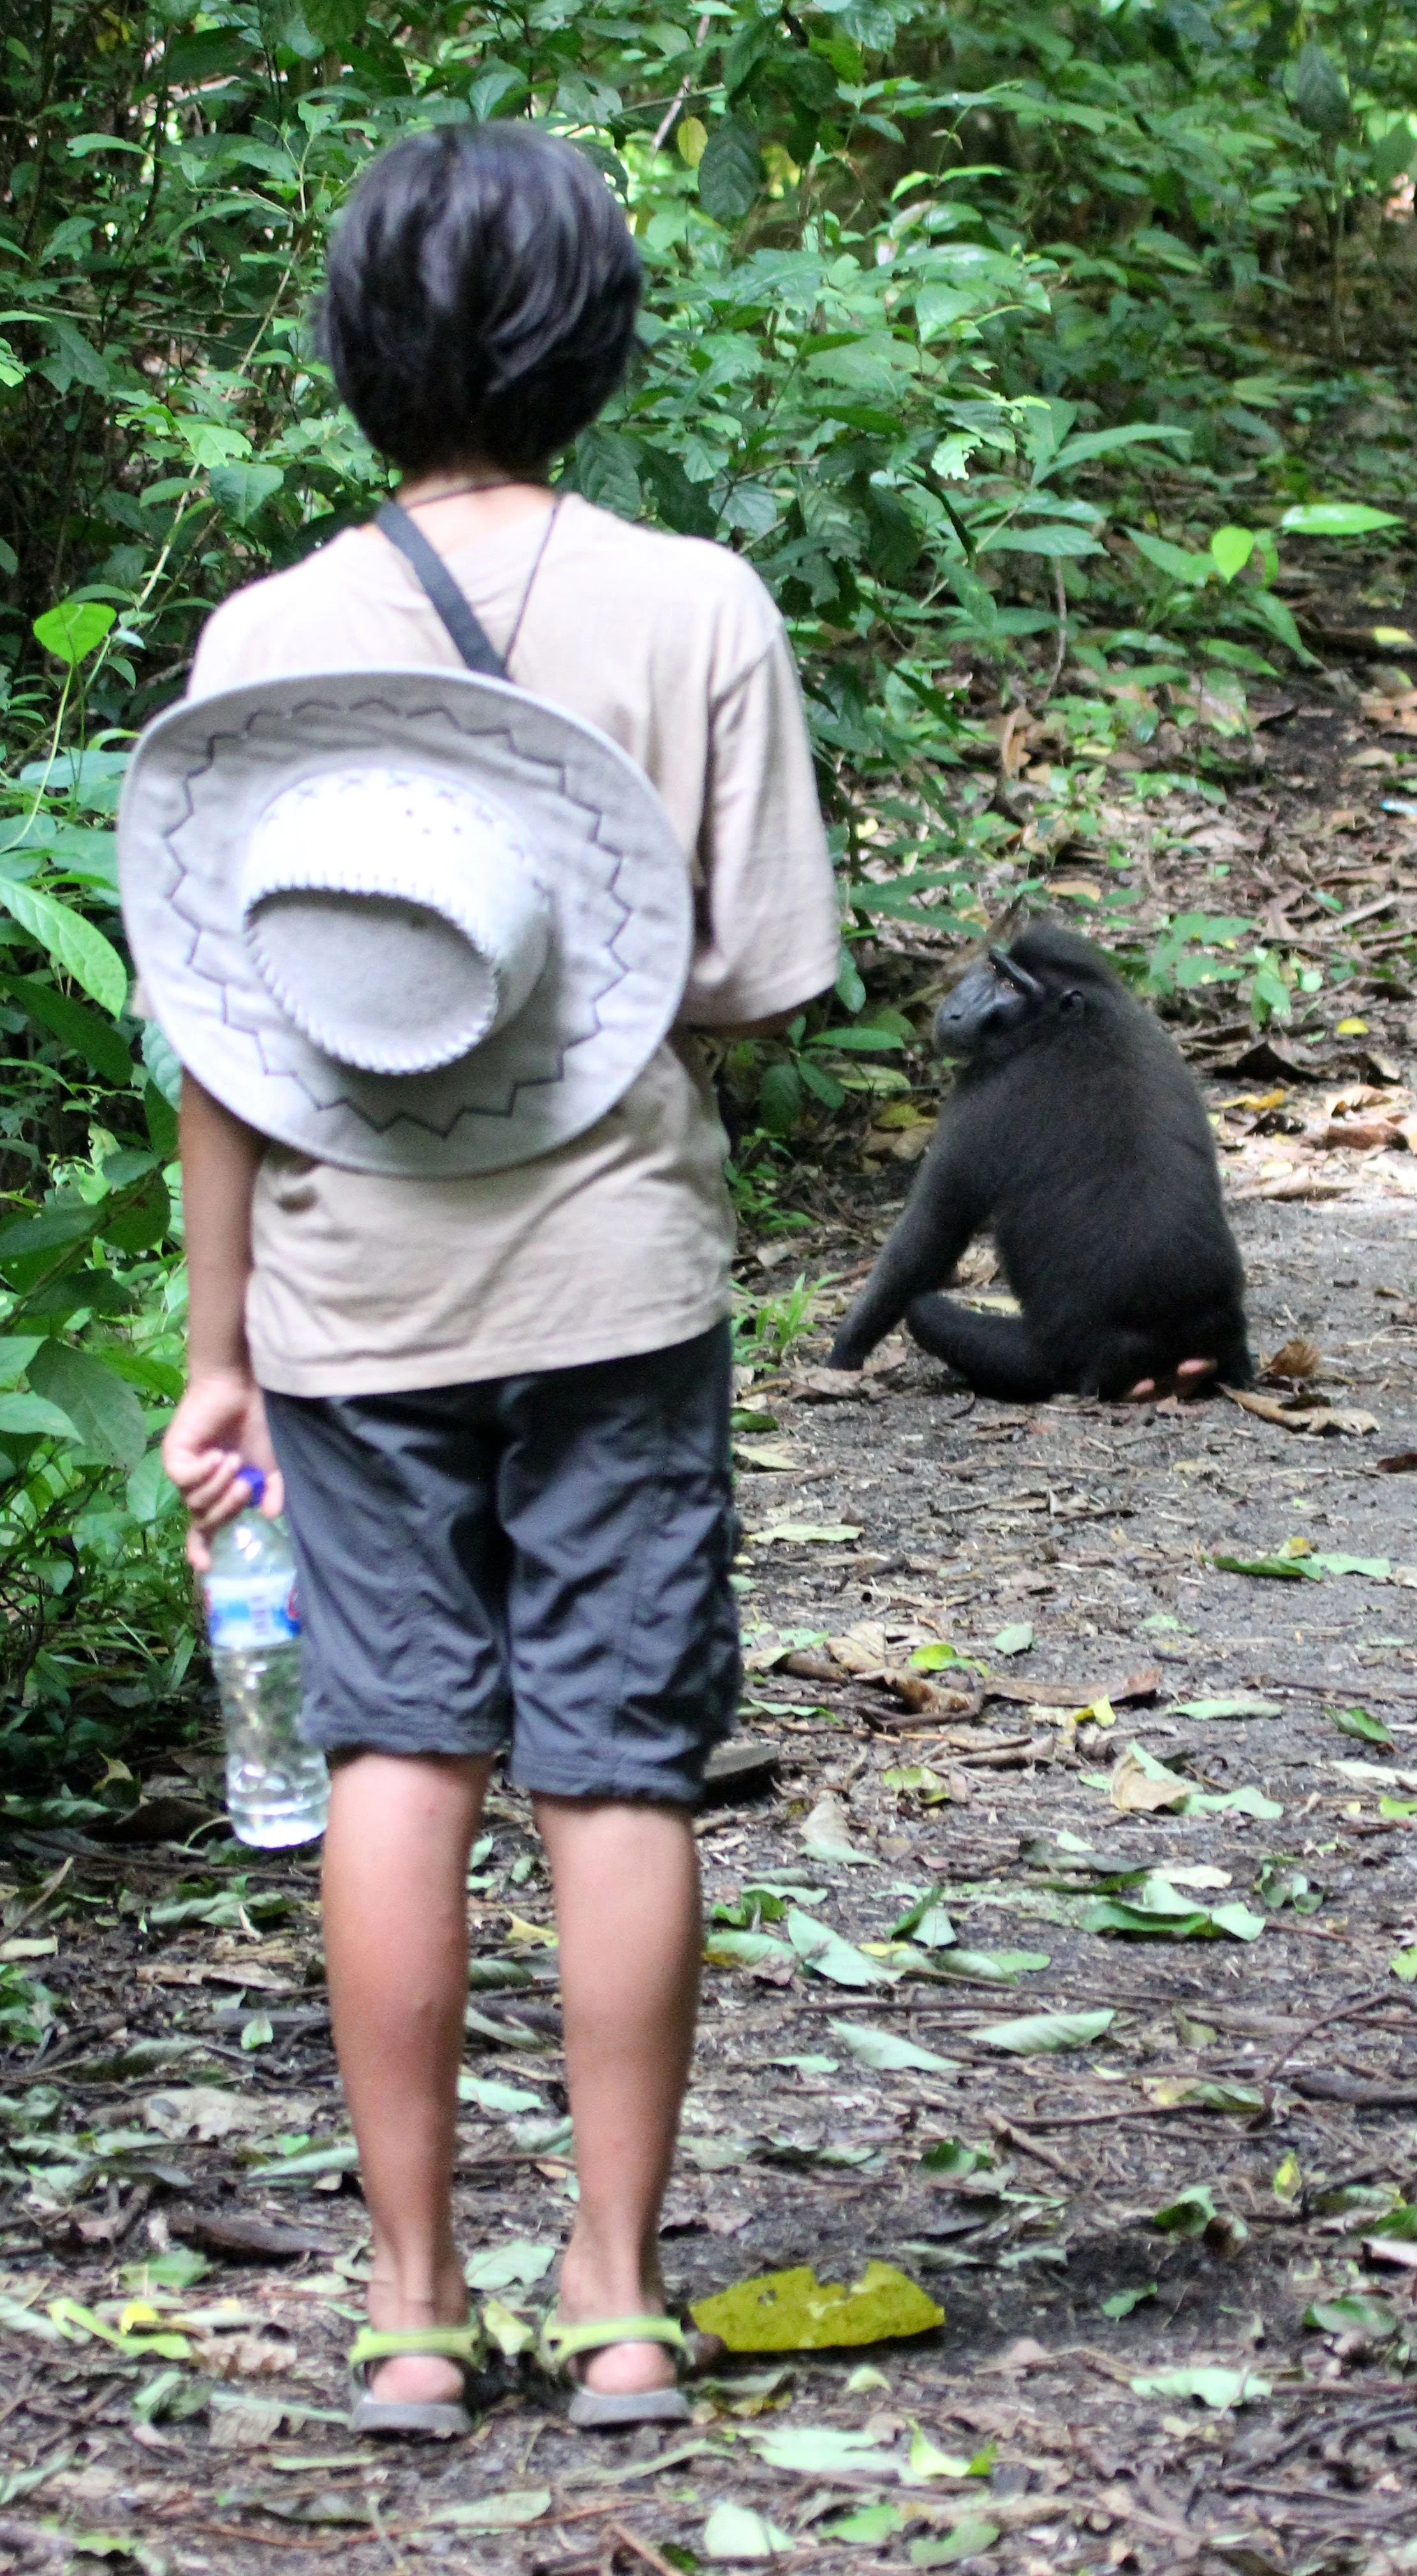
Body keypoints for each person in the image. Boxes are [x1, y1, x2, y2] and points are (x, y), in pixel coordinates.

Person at [151, 121, 839, 2433]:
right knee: (619, 1766)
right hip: (616, 1275)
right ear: (594, 343)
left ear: (355, 343)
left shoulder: (265, 639)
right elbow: (752, 983)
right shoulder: (699, 605)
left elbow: (226, 1039)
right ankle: (621, 2301)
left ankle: (412, 2304)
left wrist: (214, 1354)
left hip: (346, 1297)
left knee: (397, 1752)